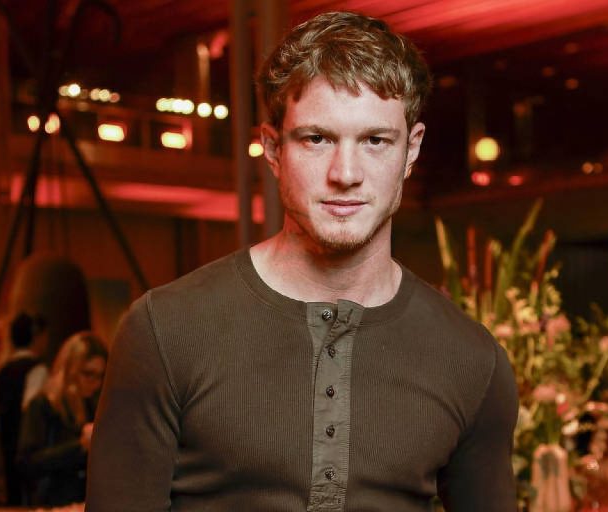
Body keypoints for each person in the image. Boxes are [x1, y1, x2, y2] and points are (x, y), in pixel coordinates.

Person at [87, 11, 518, 511]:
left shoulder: (471, 358)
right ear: (273, 148)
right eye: (317, 139)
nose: (346, 173)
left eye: (375, 141)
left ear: (411, 149)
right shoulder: (165, 330)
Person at [17, 332, 106, 507]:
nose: (96, 383)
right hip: (51, 504)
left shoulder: (92, 405)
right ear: (70, 370)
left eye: (100, 376)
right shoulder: (43, 405)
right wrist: (80, 445)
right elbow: (26, 463)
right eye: (88, 374)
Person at [0, 312, 49, 504]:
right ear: (37, 336)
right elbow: (31, 412)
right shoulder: (37, 369)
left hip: (5, 448)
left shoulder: (0, 373)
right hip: (29, 451)